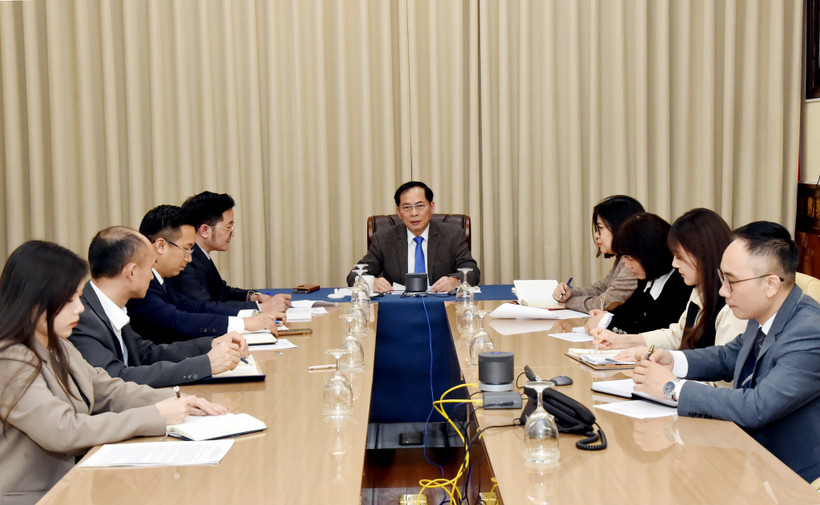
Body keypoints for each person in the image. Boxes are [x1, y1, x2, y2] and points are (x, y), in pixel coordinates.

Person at [0, 241, 227, 504]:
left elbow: (107, 389)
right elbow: (63, 431)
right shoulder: (10, 359)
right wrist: (154, 416)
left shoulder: (58, 344)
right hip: (39, 497)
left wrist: (178, 399)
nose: (80, 308)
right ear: (34, 300)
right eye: (69, 299)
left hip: (76, 484)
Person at [632, 221, 820, 482]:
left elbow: (757, 407)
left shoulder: (810, 332)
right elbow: (728, 355)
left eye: (731, 282)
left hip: (789, 476)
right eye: (723, 279)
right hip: (747, 456)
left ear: (771, 284)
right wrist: (673, 359)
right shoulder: (766, 310)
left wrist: (672, 388)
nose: (722, 291)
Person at [69, 226, 249, 388]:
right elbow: (116, 378)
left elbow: (146, 354)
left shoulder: (109, 306)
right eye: (150, 267)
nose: (151, 277)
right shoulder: (82, 317)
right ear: (131, 272)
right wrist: (206, 364)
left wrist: (210, 344)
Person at [591, 208, 747, 350]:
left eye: (679, 257)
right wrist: (620, 341)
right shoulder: (700, 290)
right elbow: (677, 335)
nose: (674, 263)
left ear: (702, 254)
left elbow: (723, 370)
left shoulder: (733, 304)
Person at [127, 205, 283, 344]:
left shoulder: (163, 279)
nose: (189, 258)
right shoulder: (141, 286)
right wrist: (243, 323)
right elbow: (178, 320)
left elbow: (192, 310)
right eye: (186, 249)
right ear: (161, 246)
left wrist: (249, 317)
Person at [165, 191, 291, 315]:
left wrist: (252, 296)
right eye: (228, 227)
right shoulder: (185, 261)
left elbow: (221, 291)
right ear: (205, 230)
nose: (232, 233)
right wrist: (260, 307)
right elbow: (204, 307)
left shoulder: (200, 255)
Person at [346, 181, 480, 293]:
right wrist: (371, 282)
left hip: (442, 307)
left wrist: (455, 281)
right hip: (398, 308)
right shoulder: (384, 238)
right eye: (407, 207)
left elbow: (473, 272)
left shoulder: (452, 235)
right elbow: (354, 275)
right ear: (398, 212)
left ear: (431, 207)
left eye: (420, 206)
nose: (414, 213)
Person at [583, 213, 691, 334]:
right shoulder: (647, 280)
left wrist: (606, 321)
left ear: (649, 255)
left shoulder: (681, 284)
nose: (627, 265)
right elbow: (630, 311)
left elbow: (652, 329)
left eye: (630, 259)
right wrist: (606, 315)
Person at [553, 195, 644, 312]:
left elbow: (605, 303)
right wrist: (570, 293)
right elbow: (600, 289)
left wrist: (568, 302)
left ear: (620, 227)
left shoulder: (634, 263)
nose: (596, 235)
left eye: (600, 228)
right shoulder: (622, 258)